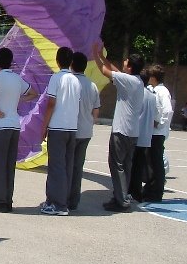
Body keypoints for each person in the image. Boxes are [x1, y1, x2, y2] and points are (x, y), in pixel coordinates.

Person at [0, 47, 36, 213]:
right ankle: (7, 199)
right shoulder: (17, 79)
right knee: (9, 165)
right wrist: (19, 99)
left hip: (0, 125)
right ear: (11, 61)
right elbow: (33, 93)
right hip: (14, 125)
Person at [92, 43, 146, 212]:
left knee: (117, 165)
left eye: (126, 61)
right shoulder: (136, 81)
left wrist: (94, 55)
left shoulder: (128, 80)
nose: (123, 62)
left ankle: (121, 200)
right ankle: (123, 196)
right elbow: (115, 71)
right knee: (126, 165)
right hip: (132, 131)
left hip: (121, 130)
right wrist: (102, 57)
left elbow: (105, 71)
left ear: (129, 66)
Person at [39, 46, 81, 216]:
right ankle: (64, 200)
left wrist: (44, 126)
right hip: (72, 128)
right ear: (71, 61)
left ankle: (57, 204)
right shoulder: (76, 80)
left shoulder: (56, 78)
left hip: (58, 127)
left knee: (56, 167)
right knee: (67, 166)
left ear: (57, 61)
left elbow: (51, 103)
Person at [68, 51, 100, 212]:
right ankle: (74, 200)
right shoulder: (92, 85)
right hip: (86, 131)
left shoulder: (71, 82)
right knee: (78, 167)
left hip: (72, 130)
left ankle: (64, 198)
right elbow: (96, 111)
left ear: (71, 65)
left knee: (67, 166)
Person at [143, 64, 174, 202]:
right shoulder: (153, 89)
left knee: (156, 163)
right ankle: (150, 188)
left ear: (154, 78)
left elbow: (167, 110)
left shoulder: (162, 91)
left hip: (158, 133)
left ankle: (156, 192)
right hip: (152, 132)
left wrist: (159, 123)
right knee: (151, 162)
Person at [128, 72, 156, 203]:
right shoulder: (152, 96)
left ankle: (129, 191)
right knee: (139, 166)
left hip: (136, 134)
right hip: (146, 136)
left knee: (131, 165)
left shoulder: (139, 94)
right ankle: (137, 193)